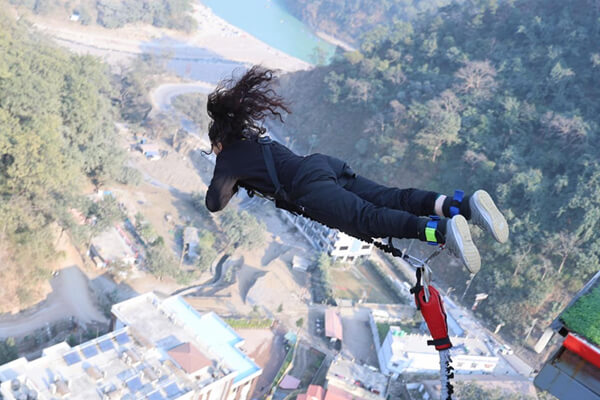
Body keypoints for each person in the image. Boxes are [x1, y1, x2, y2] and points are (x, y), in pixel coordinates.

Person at [205, 66, 508, 273]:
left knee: (368, 219)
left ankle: (440, 230)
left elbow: (214, 203)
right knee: (392, 197)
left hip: (309, 187)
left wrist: (226, 171)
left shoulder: (228, 158)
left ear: (219, 140)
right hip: (324, 165)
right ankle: (463, 205)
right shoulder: (256, 140)